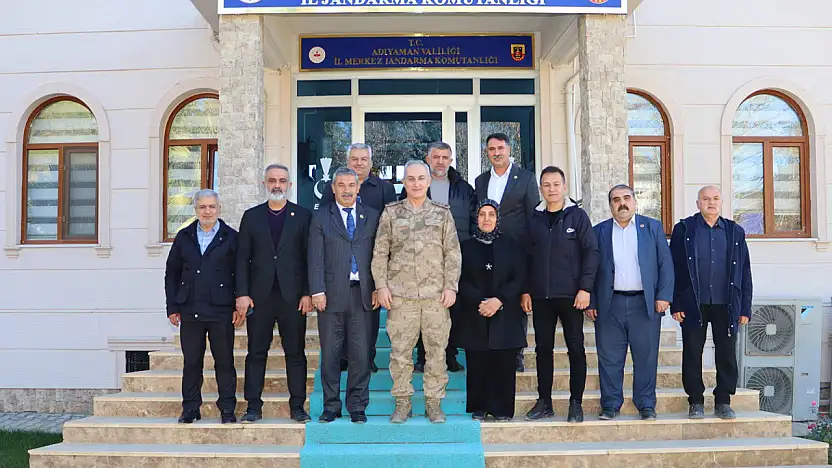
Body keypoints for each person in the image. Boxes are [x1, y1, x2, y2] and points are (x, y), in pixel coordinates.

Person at [371, 160, 462, 424]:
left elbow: (453, 252)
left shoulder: (442, 213)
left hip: (435, 296)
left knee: (436, 352)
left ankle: (434, 403)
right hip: (401, 297)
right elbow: (379, 253)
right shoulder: (391, 214)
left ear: (429, 181)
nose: (416, 183)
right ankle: (402, 403)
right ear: (404, 182)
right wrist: (381, 285)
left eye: (421, 178)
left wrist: (450, 286)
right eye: (411, 179)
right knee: (400, 353)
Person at [585, 185, 674, 421]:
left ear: (634, 201)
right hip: (609, 304)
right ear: (610, 205)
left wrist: (664, 296)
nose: (621, 203)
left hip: (644, 304)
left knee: (645, 356)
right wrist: (591, 300)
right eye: (616, 200)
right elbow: (590, 269)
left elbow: (665, 264)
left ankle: (646, 404)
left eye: (626, 198)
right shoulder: (599, 231)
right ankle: (610, 404)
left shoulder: (652, 228)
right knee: (609, 359)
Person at [235, 164, 313, 424]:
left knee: (296, 353)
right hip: (260, 297)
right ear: (264, 184)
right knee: (256, 353)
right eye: (272, 180)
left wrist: (307, 293)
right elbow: (242, 259)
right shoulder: (251, 217)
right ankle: (253, 407)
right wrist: (242, 294)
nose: (277, 185)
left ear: (289, 185)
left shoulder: (303, 216)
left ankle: (298, 407)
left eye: (281, 180)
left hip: (293, 298)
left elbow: (308, 259)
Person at [522, 166, 598, 423]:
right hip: (542, 297)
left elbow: (591, 253)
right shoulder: (534, 219)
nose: (551, 189)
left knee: (576, 348)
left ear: (564, 187)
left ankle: (575, 402)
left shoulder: (577, 217)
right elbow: (526, 258)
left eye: (556, 184)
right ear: (541, 189)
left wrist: (586, 288)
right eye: (547, 185)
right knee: (543, 350)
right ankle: (545, 402)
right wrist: (525, 290)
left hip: (572, 296)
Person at [670, 185, 753, 420]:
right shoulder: (684, 229)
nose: (711, 202)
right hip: (692, 303)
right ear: (698, 204)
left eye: (716, 198)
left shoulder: (734, 232)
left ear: (722, 202)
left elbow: (745, 271)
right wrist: (676, 304)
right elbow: (674, 269)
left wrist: (744, 307)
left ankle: (723, 401)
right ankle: (695, 400)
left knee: (726, 353)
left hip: (725, 303)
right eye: (706, 199)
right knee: (692, 352)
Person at [308, 168, 380, 424]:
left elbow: (379, 255)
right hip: (330, 295)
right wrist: (317, 290)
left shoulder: (372, 216)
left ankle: (357, 406)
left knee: (361, 355)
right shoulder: (320, 217)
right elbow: (315, 256)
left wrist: (379, 287)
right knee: (331, 354)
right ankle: (331, 406)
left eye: (352, 184)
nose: (347, 189)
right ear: (333, 188)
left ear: (358, 188)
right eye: (341, 185)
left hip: (362, 295)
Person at [165, 189, 243, 424]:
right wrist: (172, 306)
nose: (207, 211)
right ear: (196, 210)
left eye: (212, 207)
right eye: (203, 207)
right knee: (191, 362)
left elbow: (241, 273)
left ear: (219, 209)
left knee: (225, 362)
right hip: (190, 309)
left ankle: (227, 409)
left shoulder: (232, 237)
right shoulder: (183, 236)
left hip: (221, 310)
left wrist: (240, 305)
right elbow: (172, 273)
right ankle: (190, 409)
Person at [321, 143, 396, 373]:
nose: (359, 162)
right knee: (340, 320)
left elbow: (390, 225)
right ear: (348, 161)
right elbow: (325, 223)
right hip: (340, 263)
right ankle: (344, 358)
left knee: (368, 320)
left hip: (371, 261)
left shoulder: (384, 188)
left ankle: (368, 357)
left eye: (364, 159)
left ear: (371, 163)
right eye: (355, 159)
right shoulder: (331, 189)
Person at [400, 141, 474, 374]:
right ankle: (422, 357)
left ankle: (449, 355)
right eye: (436, 157)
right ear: (428, 159)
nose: (440, 161)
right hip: (422, 259)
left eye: (445, 157)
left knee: (452, 310)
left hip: (455, 257)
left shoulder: (464, 189)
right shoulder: (416, 186)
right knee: (424, 310)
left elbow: (472, 222)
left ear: (451, 160)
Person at [456, 199, 528, 421]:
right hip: (475, 310)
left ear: (498, 219)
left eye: (491, 215)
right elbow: (460, 279)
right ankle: (480, 407)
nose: (486, 219)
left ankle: (502, 409)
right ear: (476, 218)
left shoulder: (512, 245)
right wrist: (482, 301)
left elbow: (519, 277)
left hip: (504, 311)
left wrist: (499, 300)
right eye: (482, 215)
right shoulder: (465, 247)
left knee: (503, 363)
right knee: (478, 362)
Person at [474, 132, 539, 372]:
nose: (496, 153)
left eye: (500, 148)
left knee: (514, 299)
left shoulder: (525, 178)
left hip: (516, 250)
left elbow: (533, 216)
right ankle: (489, 346)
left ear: (509, 150)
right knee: (491, 295)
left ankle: (516, 352)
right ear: (487, 153)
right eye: (491, 149)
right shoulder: (480, 181)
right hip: (488, 249)